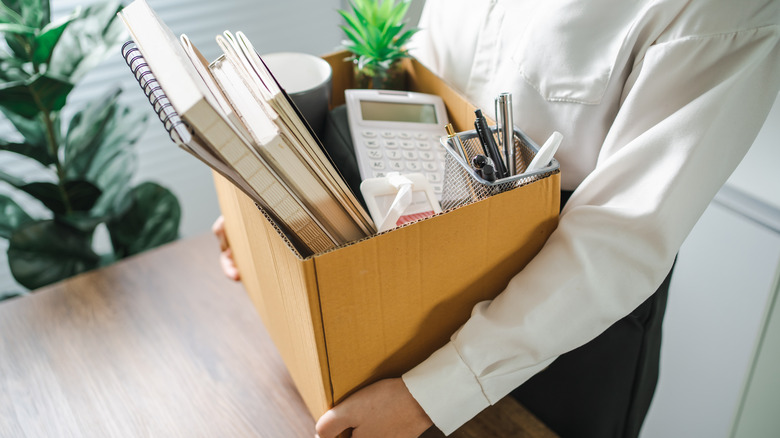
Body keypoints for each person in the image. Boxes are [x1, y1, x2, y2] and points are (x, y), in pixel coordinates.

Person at [215, 0, 780, 436]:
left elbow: (621, 235)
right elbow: (428, 79)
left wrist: (430, 395)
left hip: (573, 321)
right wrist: (281, 221)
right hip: (428, 273)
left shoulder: (722, 12)